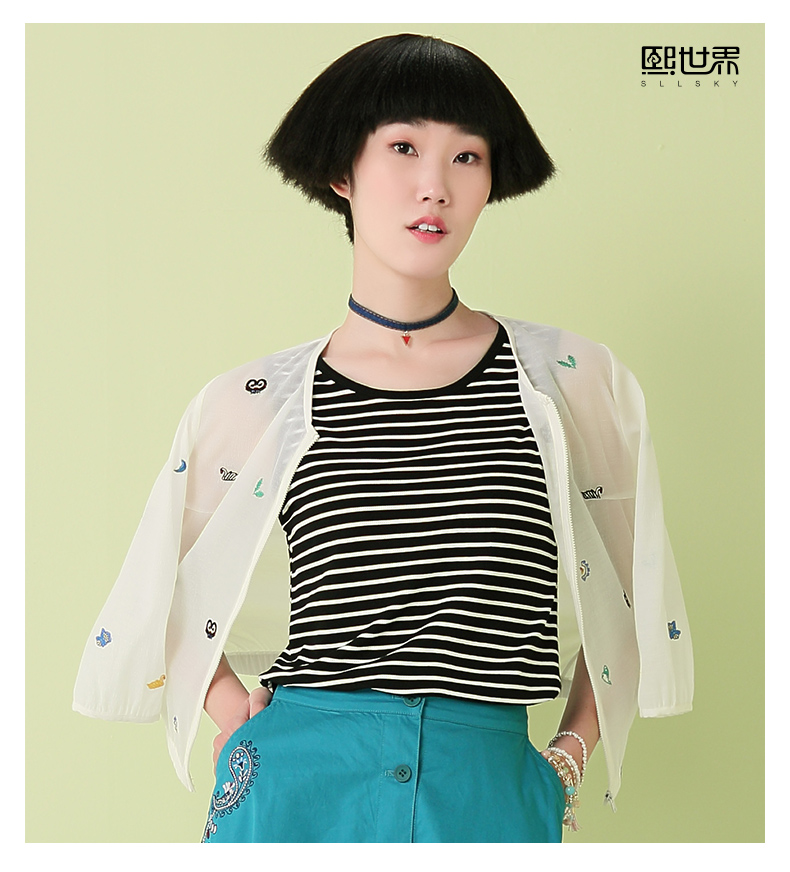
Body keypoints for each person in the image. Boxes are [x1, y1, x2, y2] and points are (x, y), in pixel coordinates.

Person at [73, 33, 693, 843]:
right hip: (293, 791)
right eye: (404, 148)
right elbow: (159, 587)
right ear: (344, 172)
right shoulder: (257, 401)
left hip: (489, 790)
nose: (435, 185)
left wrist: (569, 755)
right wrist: (234, 717)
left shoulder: (570, 383)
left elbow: (633, 587)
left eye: (466, 157)